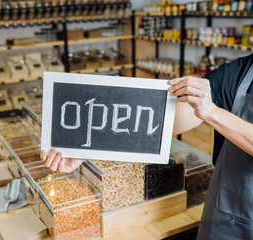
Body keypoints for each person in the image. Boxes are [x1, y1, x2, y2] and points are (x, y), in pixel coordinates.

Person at [40, 53, 253, 239]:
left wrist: (213, 112)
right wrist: (92, 143)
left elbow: (208, 110)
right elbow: (174, 118)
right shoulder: (242, 72)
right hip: (228, 218)